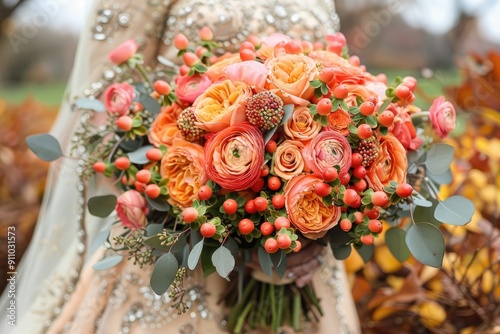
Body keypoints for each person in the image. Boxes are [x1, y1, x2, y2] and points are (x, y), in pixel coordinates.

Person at [0, 1, 360, 333]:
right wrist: (213, 218)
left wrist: (308, 232)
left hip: (302, 244)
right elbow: (99, 113)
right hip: (179, 230)